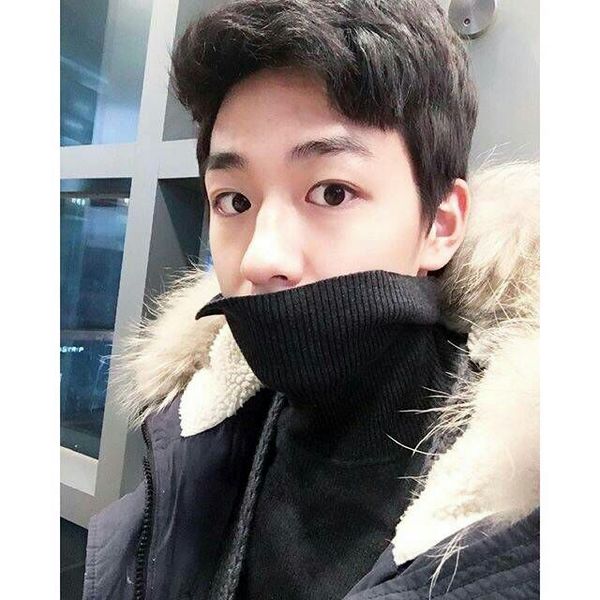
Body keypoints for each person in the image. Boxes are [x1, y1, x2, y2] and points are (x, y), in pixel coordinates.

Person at [82, 1, 539, 598]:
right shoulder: (186, 463)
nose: (260, 258)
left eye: (331, 192)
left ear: (441, 224)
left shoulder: (532, 518)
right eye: (234, 202)